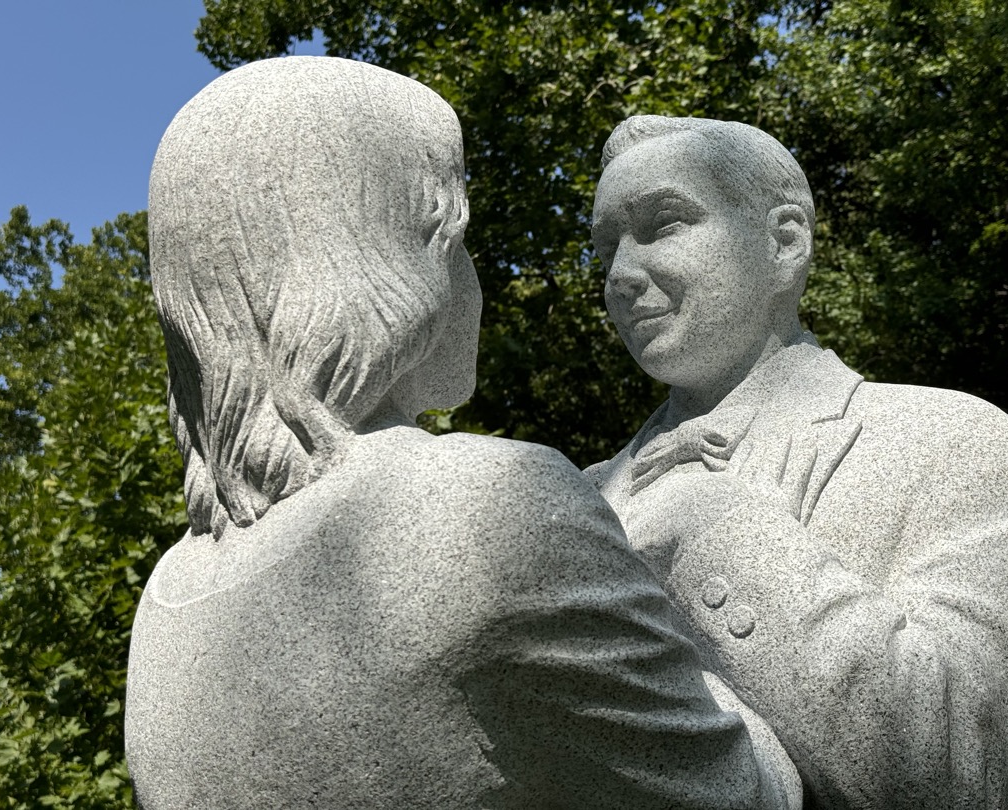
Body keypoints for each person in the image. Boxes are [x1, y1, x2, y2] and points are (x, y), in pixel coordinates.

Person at [125, 59, 800, 809]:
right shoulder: (489, 504)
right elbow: (749, 792)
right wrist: (695, 519)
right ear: (397, 256)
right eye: (459, 239)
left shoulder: (165, 606)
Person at [586, 115, 1008, 810]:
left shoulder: (959, 443)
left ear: (784, 243)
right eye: (606, 249)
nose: (621, 276)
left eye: (663, 225)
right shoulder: (577, 498)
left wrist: (703, 522)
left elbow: (963, 779)